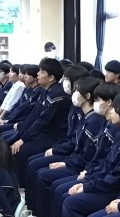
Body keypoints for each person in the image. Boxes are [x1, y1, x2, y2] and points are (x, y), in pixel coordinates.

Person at [23, 77, 105, 217]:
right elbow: (74, 142)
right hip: (76, 160)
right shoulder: (82, 114)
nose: (73, 93)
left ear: (87, 95)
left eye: (77, 90)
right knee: (36, 166)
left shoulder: (95, 120)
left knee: (50, 181)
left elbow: (89, 156)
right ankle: (39, 216)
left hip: (81, 166)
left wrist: (68, 163)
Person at [9, 58, 70, 186]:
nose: (38, 74)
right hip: (44, 133)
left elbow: (43, 121)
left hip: (55, 137)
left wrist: (23, 140)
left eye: (42, 72)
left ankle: (21, 185)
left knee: (21, 150)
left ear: (51, 77)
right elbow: (33, 116)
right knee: (11, 143)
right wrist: (20, 136)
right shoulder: (45, 91)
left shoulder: (57, 95)